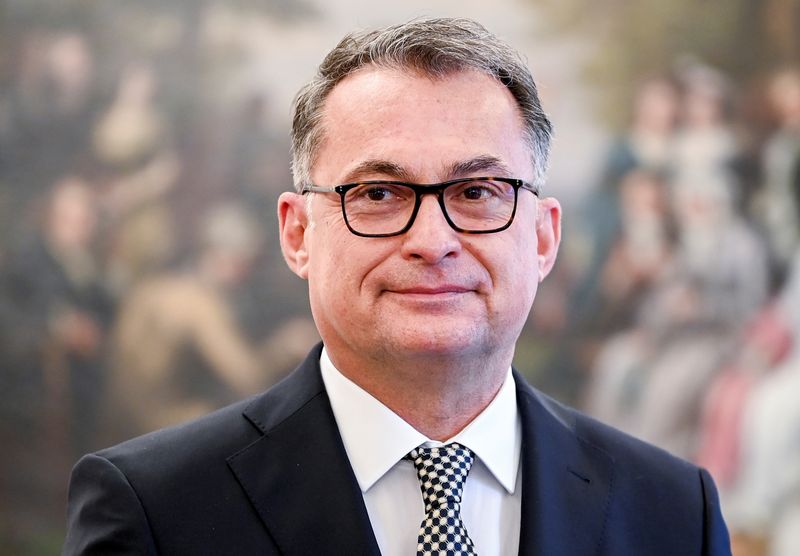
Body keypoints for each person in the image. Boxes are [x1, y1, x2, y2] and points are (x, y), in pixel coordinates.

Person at [63, 18, 731, 555]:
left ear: (543, 238)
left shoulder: (675, 513)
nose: (432, 240)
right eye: (379, 192)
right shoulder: (152, 509)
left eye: (477, 191)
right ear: (298, 234)